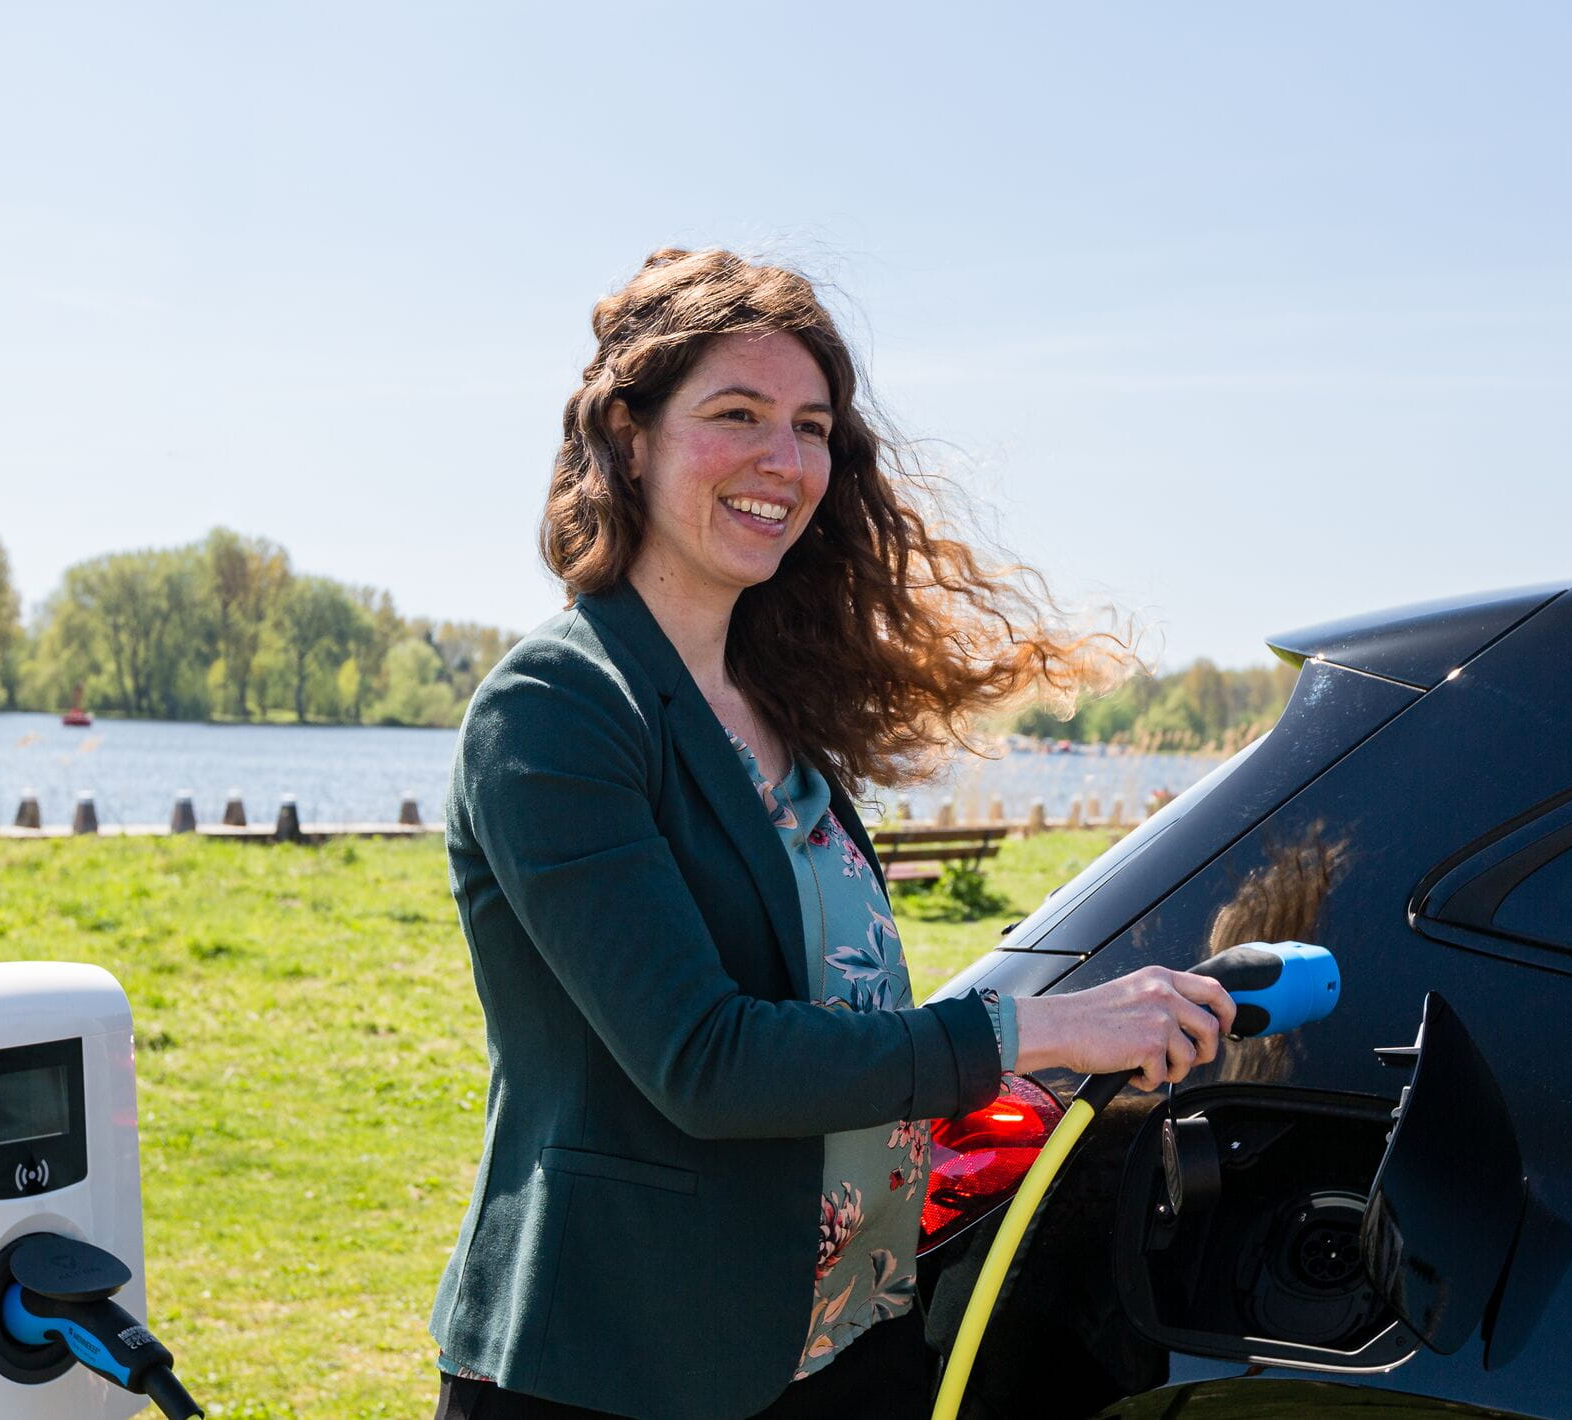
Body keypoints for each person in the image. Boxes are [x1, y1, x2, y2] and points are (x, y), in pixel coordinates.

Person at [431, 249, 1237, 1420]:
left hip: (845, 1347)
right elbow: (705, 1060)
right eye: (737, 414)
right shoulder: (555, 708)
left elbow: (837, 1009)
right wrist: (1036, 1027)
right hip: (626, 1365)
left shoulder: (773, 708)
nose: (784, 459)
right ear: (629, 434)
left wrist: (1081, 1049)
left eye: (811, 427)